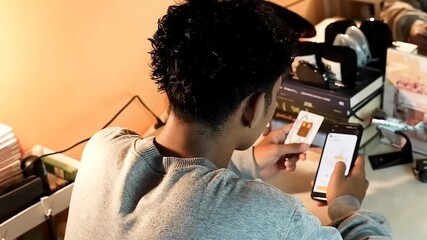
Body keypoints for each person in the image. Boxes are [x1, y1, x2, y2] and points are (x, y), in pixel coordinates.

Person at [65, 0, 392, 239]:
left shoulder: (102, 147)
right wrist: (347, 207)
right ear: (252, 108)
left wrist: (246, 163)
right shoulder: (267, 214)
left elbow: (170, 186)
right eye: (277, 93)